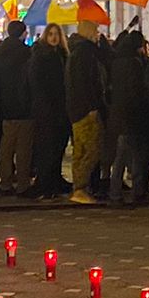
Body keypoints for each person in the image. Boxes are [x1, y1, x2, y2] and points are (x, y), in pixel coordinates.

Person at [105, 28, 149, 205]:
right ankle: (135, 192)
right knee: (134, 155)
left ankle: (115, 192)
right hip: (132, 115)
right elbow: (138, 90)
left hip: (119, 114)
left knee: (121, 156)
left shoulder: (117, 61)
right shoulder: (134, 63)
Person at [0, 20, 35, 195]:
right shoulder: (26, 53)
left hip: (5, 105)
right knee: (23, 148)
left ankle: (5, 182)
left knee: (6, 147)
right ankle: (23, 183)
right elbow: (30, 80)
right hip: (24, 105)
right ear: (23, 33)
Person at [65, 25, 105, 204]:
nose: (97, 33)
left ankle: (79, 187)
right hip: (86, 109)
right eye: (95, 30)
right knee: (92, 148)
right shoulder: (85, 54)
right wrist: (92, 106)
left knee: (80, 150)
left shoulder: (75, 52)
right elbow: (88, 83)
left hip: (75, 109)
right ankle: (80, 187)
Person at [29, 23, 70, 199]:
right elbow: (37, 83)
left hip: (61, 108)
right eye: (51, 34)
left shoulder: (63, 56)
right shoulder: (41, 56)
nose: (54, 38)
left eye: (56, 34)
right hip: (46, 109)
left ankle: (55, 178)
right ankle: (45, 182)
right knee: (47, 146)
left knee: (58, 145)